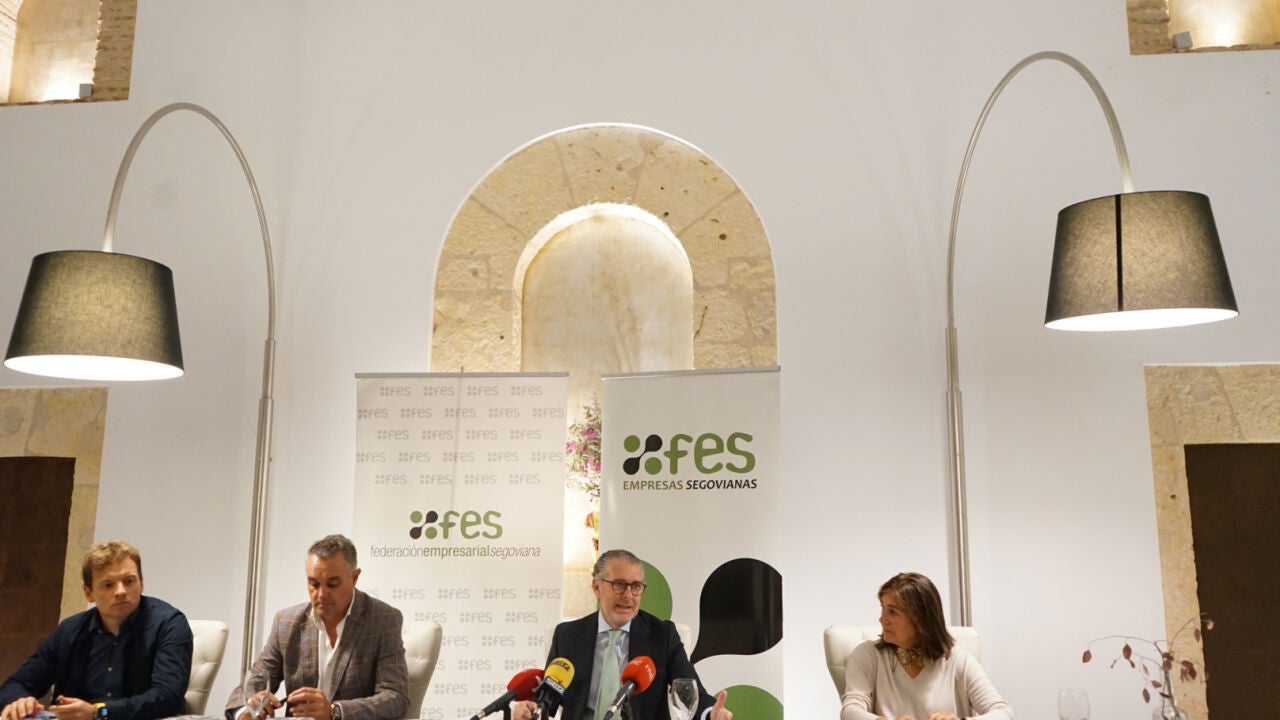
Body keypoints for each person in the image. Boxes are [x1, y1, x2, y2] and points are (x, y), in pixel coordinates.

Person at [515, 549, 732, 720]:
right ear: (596, 587)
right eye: (619, 584)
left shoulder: (662, 635)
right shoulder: (568, 635)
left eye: (636, 586)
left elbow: (690, 692)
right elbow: (550, 698)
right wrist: (530, 708)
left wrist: (711, 714)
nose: (628, 595)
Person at [0, 540, 193, 720]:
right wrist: (19, 701)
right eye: (108, 585)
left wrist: (99, 713)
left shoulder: (169, 624)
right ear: (88, 593)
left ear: (141, 583)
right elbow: (16, 684)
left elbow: (167, 697)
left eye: (129, 581)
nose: (120, 591)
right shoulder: (70, 631)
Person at [226, 535, 408, 720]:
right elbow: (255, 680)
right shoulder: (286, 623)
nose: (321, 594)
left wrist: (334, 712)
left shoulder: (383, 620)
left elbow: (395, 697)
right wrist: (247, 709)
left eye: (332, 584)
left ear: (354, 578)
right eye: (313, 584)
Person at [840, 572, 1013, 720]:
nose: (882, 618)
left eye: (892, 611)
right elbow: (850, 711)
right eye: (883, 608)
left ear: (920, 618)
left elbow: (1003, 713)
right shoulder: (867, 655)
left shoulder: (959, 659)